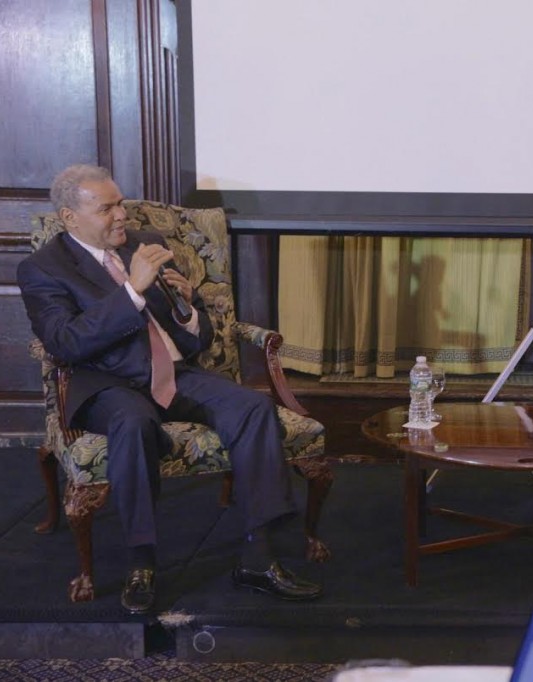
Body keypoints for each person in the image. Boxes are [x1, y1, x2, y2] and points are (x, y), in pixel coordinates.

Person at [17, 164, 323, 613]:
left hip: (174, 373)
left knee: (252, 408)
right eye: (107, 209)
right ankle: (142, 563)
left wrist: (187, 308)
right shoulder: (43, 269)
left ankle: (259, 556)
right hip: (108, 384)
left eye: (120, 203)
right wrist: (132, 291)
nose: (121, 215)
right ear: (70, 217)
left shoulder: (146, 244)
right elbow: (66, 342)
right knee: (133, 423)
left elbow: (198, 336)